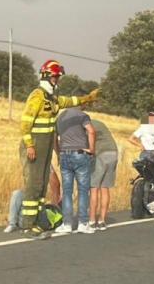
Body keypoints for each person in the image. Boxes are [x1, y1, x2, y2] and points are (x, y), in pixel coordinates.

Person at [18, 60, 98, 238]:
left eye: (57, 77)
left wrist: (88, 98)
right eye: (55, 77)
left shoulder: (51, 98)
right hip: (36, 144)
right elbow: (25, 122)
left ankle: (39, 219)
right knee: (34, 184)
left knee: (42, 183)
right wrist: (30, 145)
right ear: (46, 76)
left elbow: (70, 101)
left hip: (46, 144)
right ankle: (28, 224)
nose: (57, 80)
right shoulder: (37, 96)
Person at [55, 106, 96, 234]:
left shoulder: (60, 117)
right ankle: (83, 223)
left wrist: (58, 152)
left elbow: (54, 137)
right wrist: (92, 150)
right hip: (80, 153)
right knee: (83, 190)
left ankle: (67, 224)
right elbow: (91, 131)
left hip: (64, 154)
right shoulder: (82, 115)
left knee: (67, 191)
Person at [88, 118, 118, 231]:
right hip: (113, 153)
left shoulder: (85, 125)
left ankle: (91, 221)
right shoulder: (100, 123)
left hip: (101, 153)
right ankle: (102, 221)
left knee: (94, 188)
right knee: (105, 188)